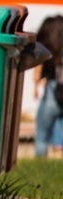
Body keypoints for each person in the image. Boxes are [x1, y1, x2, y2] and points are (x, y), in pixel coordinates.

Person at [33, 15, 63, 159]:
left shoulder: (47, 46)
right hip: (60, 92)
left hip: (52, 91)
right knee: (59, 125)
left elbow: (38, 68)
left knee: (42, 133)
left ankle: (40, 160)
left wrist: (36, 85)